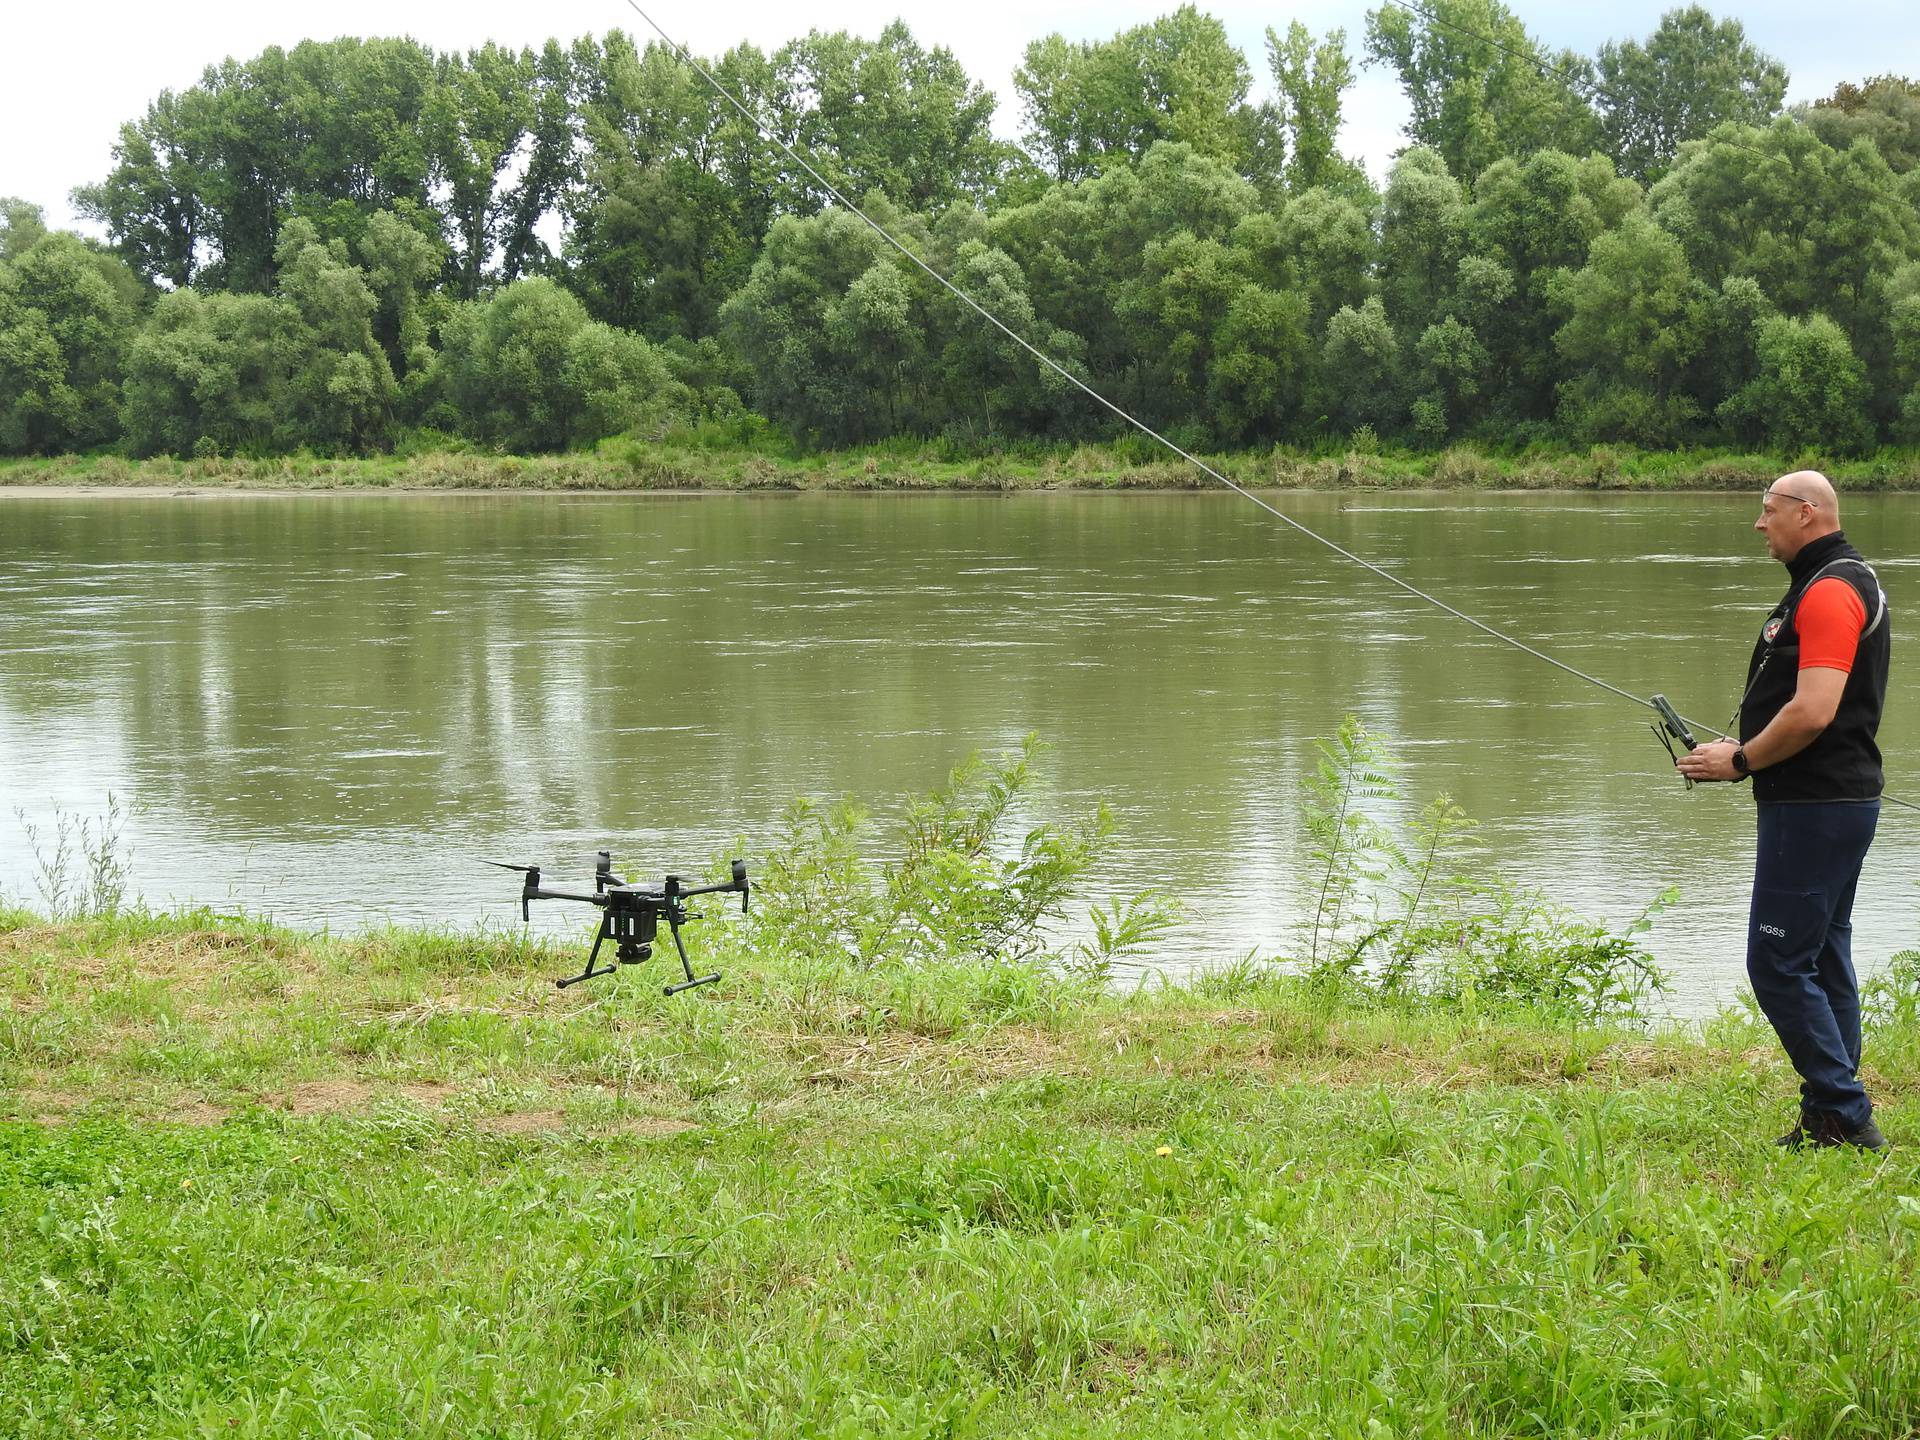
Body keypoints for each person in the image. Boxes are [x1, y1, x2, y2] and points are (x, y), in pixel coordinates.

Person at [1677, 471, 1889, 1150]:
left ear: (1806, 513)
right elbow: (1798, 710)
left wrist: (1739, 761)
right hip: (1830, 800)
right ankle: (1830, 1116)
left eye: (1768, 510)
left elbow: (1814, 710)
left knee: (1775, 962)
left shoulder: (1831, 590)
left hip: (1816, 805)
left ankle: (1845, 1113)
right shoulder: (1834, 580)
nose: (1758, 522)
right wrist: (1744, 748)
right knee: (1822, 955)